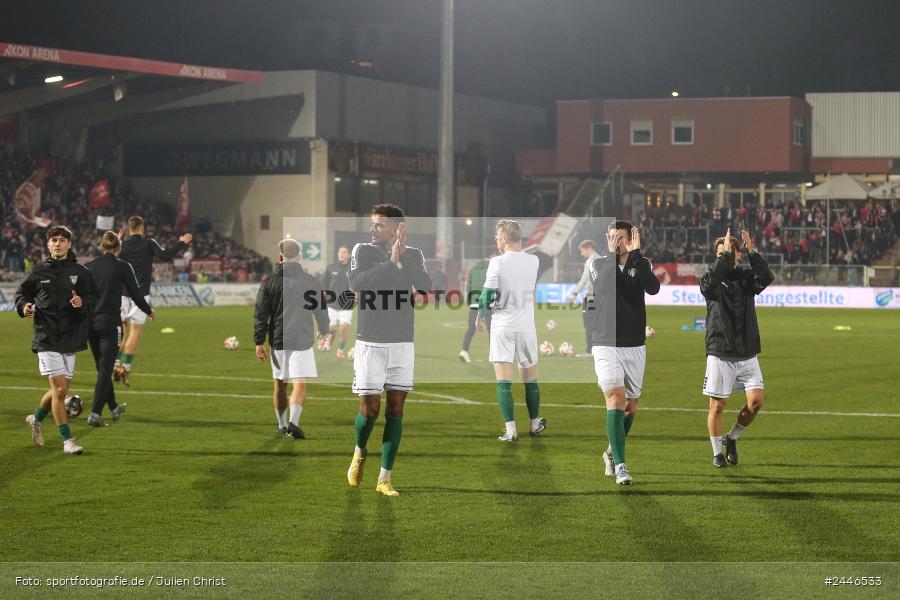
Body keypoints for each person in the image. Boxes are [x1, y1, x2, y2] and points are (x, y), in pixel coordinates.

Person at [345, 204, 431, 496]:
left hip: (402, 342)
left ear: (397, 228)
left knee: (396, 409)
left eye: (379, 225)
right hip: (370, 340)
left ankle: (384, 478)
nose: (373, 229)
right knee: (370, 411)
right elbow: (356, 282)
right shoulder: (362, 250)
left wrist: (403, 256)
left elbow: (425, 286)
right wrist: (390, 263)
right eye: (373, 224)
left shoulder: (414, 254)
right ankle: (359, 452)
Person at [590, 221, 660, 485]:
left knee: (630, 408)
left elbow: (653, 288)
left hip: (634, 344)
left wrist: (637, 256)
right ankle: (621, 465)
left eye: (620, 237)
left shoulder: (642, 264)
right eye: (611, 236)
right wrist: (611, 256)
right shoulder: (598, 264)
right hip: (606, 343)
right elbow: (605, 289)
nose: (615, 241)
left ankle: (610, 453)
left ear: (630, 239)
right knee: (616, 400)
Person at [16, 225, 97, 455]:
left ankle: (36, 418)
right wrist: (25, 306)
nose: (58, 244)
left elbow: (93, 297)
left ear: (69, 244)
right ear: (48, 244)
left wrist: (83, 302)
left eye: (62, 240)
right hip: (46, 337)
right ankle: (67, 440)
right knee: (61, 389)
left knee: (59, 392)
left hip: (70, 338)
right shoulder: (38, 271)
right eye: (54, 240)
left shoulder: (80, 272)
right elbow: (22, 294)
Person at [700, 228, 773, 468]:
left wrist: (751, 252)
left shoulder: (745, 277)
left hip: (747, 350)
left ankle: (731, 438)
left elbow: (767, 276)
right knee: (718, 405)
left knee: (756, 402)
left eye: (731, 252)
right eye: (722, 252)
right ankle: (716, 453)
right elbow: (710, 281)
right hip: (721, 349)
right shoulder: (710, 279)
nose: (727, 255)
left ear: (738, 255)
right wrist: (724, 257)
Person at [476, 219, 546, 442]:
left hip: (503, 325)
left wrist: (479, 317)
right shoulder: (534, 261)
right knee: (530, 378)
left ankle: (511, 430)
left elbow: (487, 294)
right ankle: (534, 424)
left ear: (505, 237)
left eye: (497, 236)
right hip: (526, 326)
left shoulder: (497, 262)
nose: (496, 239)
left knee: (503, 381)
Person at [253, 239, 329, 439]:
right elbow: (320, 309)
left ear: (280, 257)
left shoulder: (269, 282)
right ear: (299, 256)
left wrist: (259, 341)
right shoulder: (310, 281)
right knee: (300, 382)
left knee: (280, 383)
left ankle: (281, 425)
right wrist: (324, 330)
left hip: (278, 340)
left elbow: (261, 314)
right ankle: (294, 423)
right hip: (302, 339)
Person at [84, 231, 154, 426]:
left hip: (90, 324)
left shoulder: (89, 267)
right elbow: (136, 293)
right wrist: (148, 311)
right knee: (106, 370)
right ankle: (95, 414)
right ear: (118, 248)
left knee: (102, 368)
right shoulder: (123, 267)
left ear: (102, 246)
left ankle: (113, 407)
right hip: (110, 324)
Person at [115, 215, 191, 384]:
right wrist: (182, 242)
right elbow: (166, 255)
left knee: (122, 332)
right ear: (142, 228)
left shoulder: (123, 246)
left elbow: (111, 255)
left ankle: (115, 364)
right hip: (140, 294)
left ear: (128, 228)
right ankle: (126, 367)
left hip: (121, 294)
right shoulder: (148, 243)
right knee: (135, 332)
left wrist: (118, 239)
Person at [458, 249, 494, 363]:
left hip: (474, 302)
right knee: (492, 330)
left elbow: (468, 287)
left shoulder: (473, 269)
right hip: (488, 302)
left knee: (471, 328)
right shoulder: (492, 268)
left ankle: (464, 351)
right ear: (492, 256)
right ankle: (493, 356)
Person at [320, 245, 354, 358]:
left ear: (348, 255)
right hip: (332, 304)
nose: (341, 254)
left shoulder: (352, 269)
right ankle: (327, 341)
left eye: (344, 252)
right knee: (331, 328)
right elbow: (324, 283)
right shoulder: (331, 268)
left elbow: (357, 284)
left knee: (343, 329)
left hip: (346, 304)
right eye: (340, 252)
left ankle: (340, 349)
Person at [569, 240, 600, 357]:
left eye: (582, 250)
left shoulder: (590, 261)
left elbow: (585, 278)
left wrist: (575, 293)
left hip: (590, 297)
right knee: (597, 324)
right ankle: (598, 350)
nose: (581, 253)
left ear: (588, 248)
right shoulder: (601, 259)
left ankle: (589, 351)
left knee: (589, 324)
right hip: (600, 298)